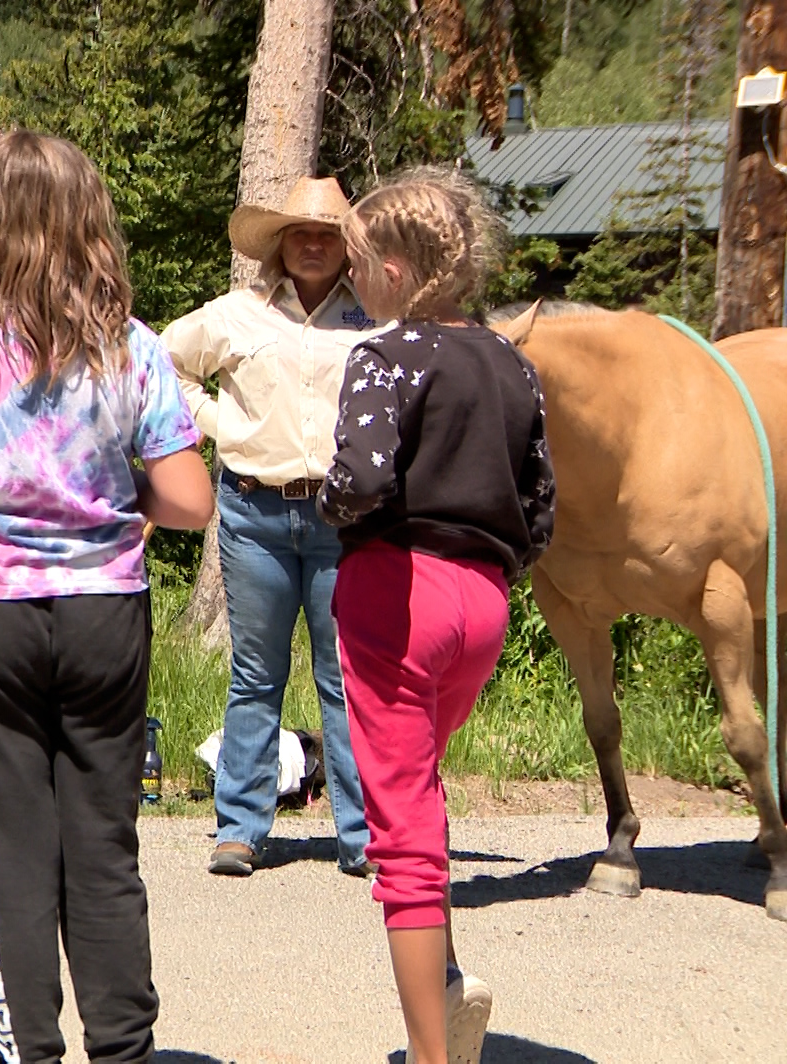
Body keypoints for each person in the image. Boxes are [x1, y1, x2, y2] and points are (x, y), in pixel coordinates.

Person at [0, 130, 214, 1064]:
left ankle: (29, 1051)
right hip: (104, 610)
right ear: (87, 225)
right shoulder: (132, 350)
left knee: (10, 856)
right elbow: (188, 500)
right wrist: (101, 501)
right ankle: (124, 1050)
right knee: (103, 845)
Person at [318, 167, 553, 1064]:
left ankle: (430, 1053)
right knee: (420, 786)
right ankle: (445, 977)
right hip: (484, 598)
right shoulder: (512, 364)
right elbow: (539, 506)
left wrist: (327, 499)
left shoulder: (386, 355)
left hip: (397, 590)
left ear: (393, 266)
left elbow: (366, 478)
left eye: (356, 266)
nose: (353, 284)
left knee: (403, 828)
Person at [162, 175, 376, 877]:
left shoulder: (374, 318)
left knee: (343, 675)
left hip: (341, 518)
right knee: (256, 673)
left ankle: (361, 834)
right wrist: (225, 426)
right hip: (253, 513)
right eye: (300, 233)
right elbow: (165, 363)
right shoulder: (235, 314)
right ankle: (240, 828)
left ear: (347, 247)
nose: (313, 245)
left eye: (327, 234)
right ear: (280, 245)